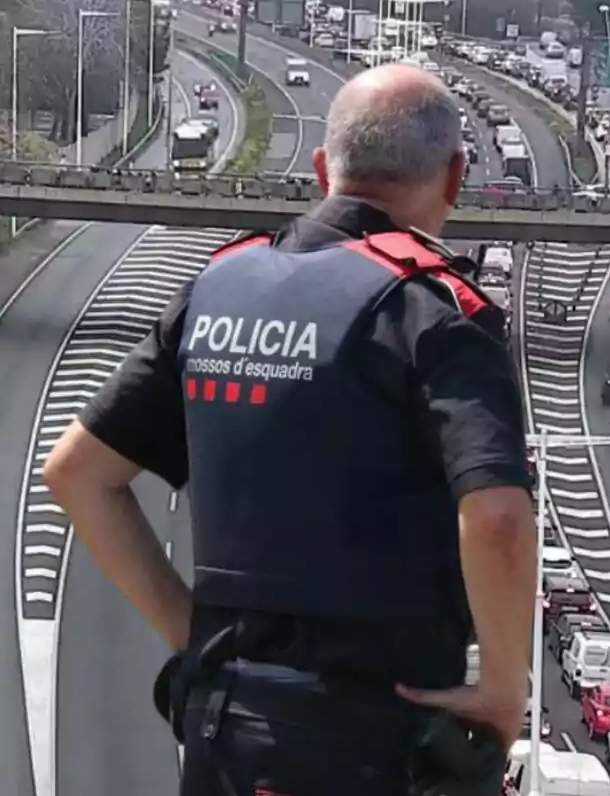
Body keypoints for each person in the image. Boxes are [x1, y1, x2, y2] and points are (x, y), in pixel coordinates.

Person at [44, 63, 536, 795]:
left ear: (321, 169)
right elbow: (495, 518)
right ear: (456, 176)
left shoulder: (218, 286)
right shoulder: (437, 313)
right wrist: (503, 688)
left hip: (224, 729)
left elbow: (76, 473)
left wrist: (189, 632)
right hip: (377, 737)